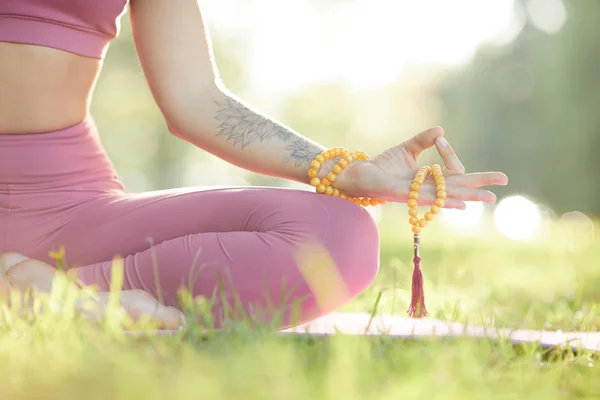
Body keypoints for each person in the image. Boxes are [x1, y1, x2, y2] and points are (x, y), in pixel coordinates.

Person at [0, 0, 508, 329]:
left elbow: (195, 98)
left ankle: (56, 296)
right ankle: (46, 300)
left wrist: (346, 172)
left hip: (68, 205)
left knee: (337, 238)